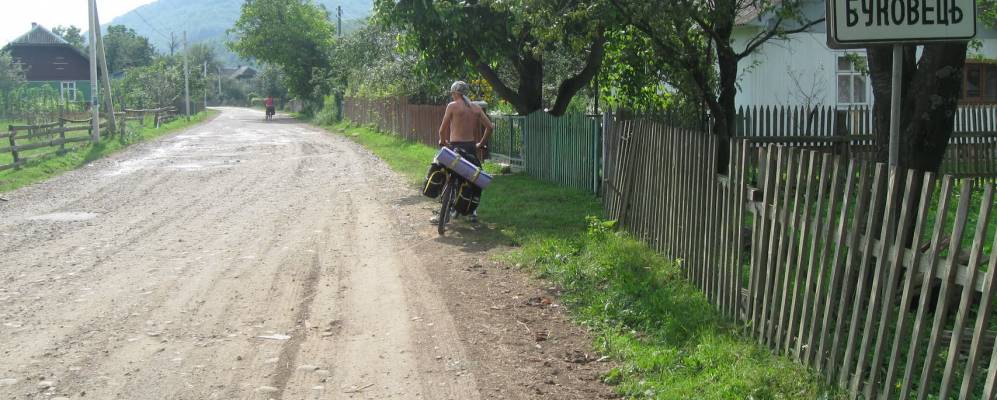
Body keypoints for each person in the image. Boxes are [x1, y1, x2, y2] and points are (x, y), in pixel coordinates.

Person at [436, 80, 493, 223]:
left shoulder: (452, 106)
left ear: (456, 92)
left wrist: (443, 141)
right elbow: (490, 127)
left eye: (452, 93)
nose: (451, 96)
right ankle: (473, 211)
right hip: (470, 148)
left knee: (447, 173)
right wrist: (480, 144)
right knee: (473, 178)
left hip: (455, 147)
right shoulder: (476, 108)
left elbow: (442, 130)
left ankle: (444, 207)